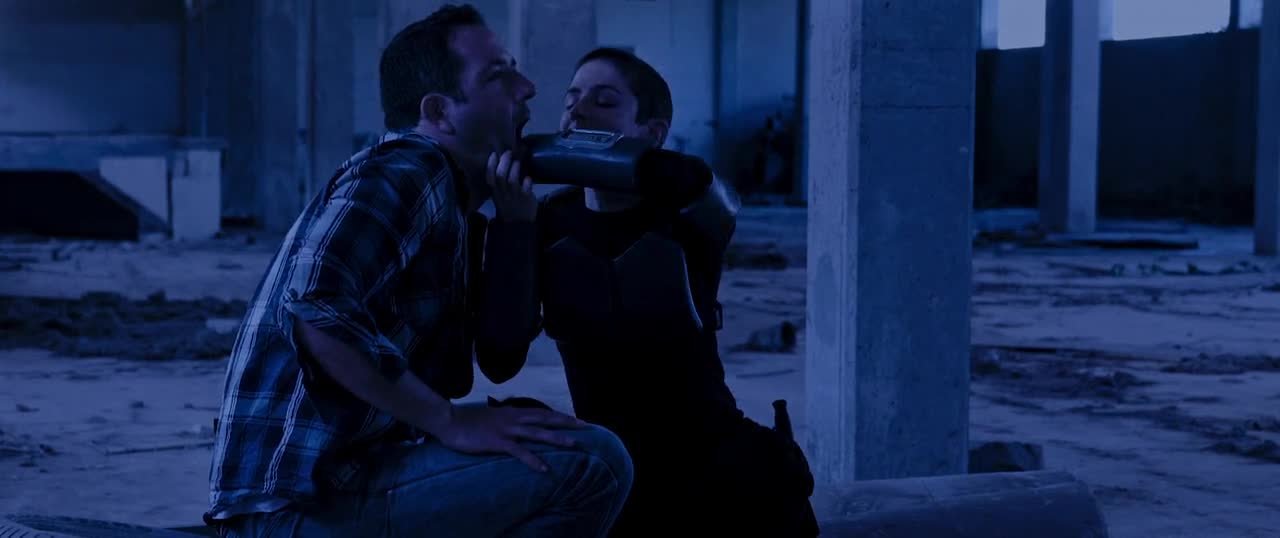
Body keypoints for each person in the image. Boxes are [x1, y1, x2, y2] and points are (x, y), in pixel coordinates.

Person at [205, 6, 633, 537]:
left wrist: (515, 228)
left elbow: (500, 355)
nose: (527, 88)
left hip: (343, 484)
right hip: (298, 504)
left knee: (539, 429)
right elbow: (316, 304)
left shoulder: (455, 204)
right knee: (592, 464)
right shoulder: (410, 167)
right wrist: (446, 420)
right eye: (498, 75)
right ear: (440, 112)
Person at [474, 47, 819, 537]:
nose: (577, 111)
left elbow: (701, 185)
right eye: (571, 100)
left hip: (710, 457)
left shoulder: (690, 216)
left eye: (604, 101)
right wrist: (513, 227)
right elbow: (499, 358)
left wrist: (550, 155)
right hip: (610, 461)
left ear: (653, 132)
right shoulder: (547, 220)